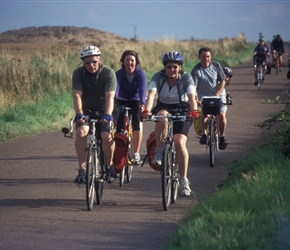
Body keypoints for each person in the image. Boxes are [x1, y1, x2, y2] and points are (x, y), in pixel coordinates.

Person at [141, 51, 199, 197]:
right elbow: (151, 94)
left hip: (182, 108)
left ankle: (184, 180)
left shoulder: (186, 78)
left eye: (175, 67)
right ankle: (159, 151)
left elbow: (191, 95)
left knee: (179, 142)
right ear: (164, 67)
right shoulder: (158, 77)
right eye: (168, 67)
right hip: (163, 106)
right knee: (161, 117)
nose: (172, 70)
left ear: (180, 67)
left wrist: (194, 110)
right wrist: (147, 110)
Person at [72, 45, 117, 184]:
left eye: (94, 62)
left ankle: (109, 166)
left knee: (106, 135)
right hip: (86, 110)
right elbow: (77, 95)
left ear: (100, 60)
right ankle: (82, 169)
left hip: (105, 110)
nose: (91, 65)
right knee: (81, 132)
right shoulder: (78, 73)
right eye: (87, 63)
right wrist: (79, 113)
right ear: (83, 63)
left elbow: (110, 97)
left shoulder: (108, 73)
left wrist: (108, 114)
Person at [191, 47, 228, 150]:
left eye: (208, 56)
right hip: (204, 95)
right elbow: (193, 86)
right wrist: (196, 99)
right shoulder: (196, 70)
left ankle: (222, 137)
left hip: (218, 93)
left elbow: (222, 82)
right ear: (199, 57)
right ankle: (204, 134)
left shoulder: (216, 65)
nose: (206, 59)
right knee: (205, 113)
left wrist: (216, 94)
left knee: (221, 115)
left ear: (210, 57)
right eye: (203, 56)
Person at [115, 50, 147, 164]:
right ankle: (118, 149)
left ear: (136, 62)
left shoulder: (140, 74)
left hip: (136, 100)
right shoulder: (118, 74)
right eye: (127, 60)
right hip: (122, 99)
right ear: (123, 62)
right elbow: (116, 89)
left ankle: (137, 153)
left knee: (137, 122)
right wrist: (114, 101)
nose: (129, 63)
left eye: (132, 60)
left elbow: (142, 90)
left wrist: (143, 104)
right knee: (118, 124)